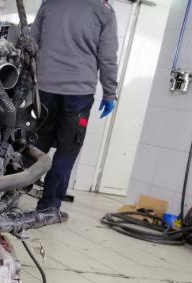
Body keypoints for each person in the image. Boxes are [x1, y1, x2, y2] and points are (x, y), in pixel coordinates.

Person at [28, 0, 119, 222]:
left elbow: (31, 42)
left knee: (35, 145)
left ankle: (5, 195)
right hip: (78, 92)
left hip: (45, 88)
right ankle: (48, 207)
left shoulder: (50, 4)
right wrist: (109, 92)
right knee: (67, 150)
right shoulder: (103, 11)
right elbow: (107, 56)